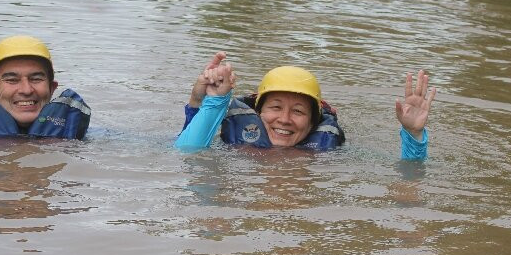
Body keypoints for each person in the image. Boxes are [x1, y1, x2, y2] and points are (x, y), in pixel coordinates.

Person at [175, 52, 435, 159]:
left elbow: (409, 176)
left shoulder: (327, 156)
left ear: (312, 123)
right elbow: (187, 152)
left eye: (298, 111)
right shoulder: (233, 147)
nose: (285, 119)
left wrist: (413, 136)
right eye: (275, 107)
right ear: (258, 112)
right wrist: (212, 102)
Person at [0, 35, 90, 140]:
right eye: (12, 80)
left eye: (36, 79)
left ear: (51, 88)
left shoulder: (80, 137)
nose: (26, 90)